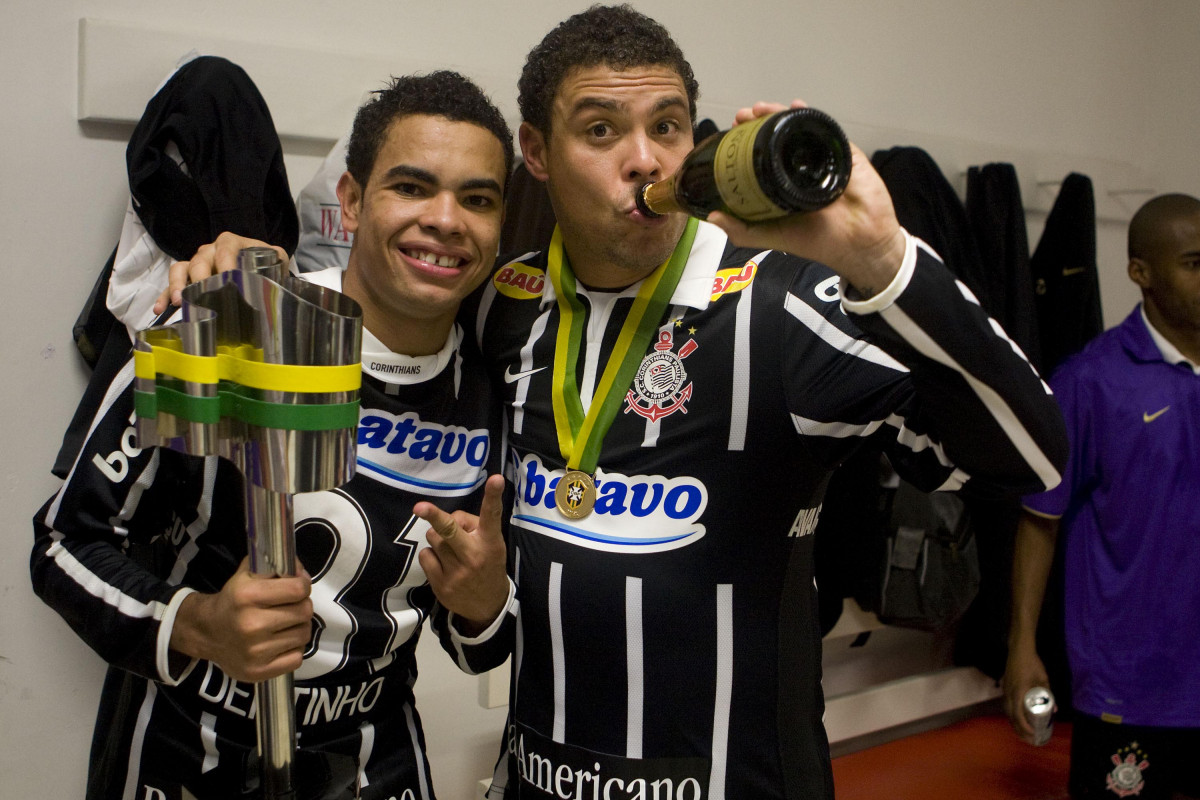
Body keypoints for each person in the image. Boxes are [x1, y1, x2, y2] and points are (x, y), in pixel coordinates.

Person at [164, 7, 1068, 798]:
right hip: (539, 778)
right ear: (536, 155)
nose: (644, 160)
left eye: (668, 126)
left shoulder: (781, 309)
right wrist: (252, 270)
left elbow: (1032, 461)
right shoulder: (504, 305)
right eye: (600, 130)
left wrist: (880, 261)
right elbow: (390, 299)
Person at [31, 70, 513, 800]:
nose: (446, 220)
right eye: (412, 187)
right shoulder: (234, 327)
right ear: (351, 201)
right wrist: (196, 624)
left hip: (374, 756)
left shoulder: (494, 388)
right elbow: (65, 545)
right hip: (186, 748)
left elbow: (477, 644)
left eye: (477, 198)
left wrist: (482, 600)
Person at [1003, 193, 1200, 800]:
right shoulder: (1090, 381)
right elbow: (1041, 522)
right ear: (1141, 272)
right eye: (1194, 262)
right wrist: (1021, 646)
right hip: (1129, 682)